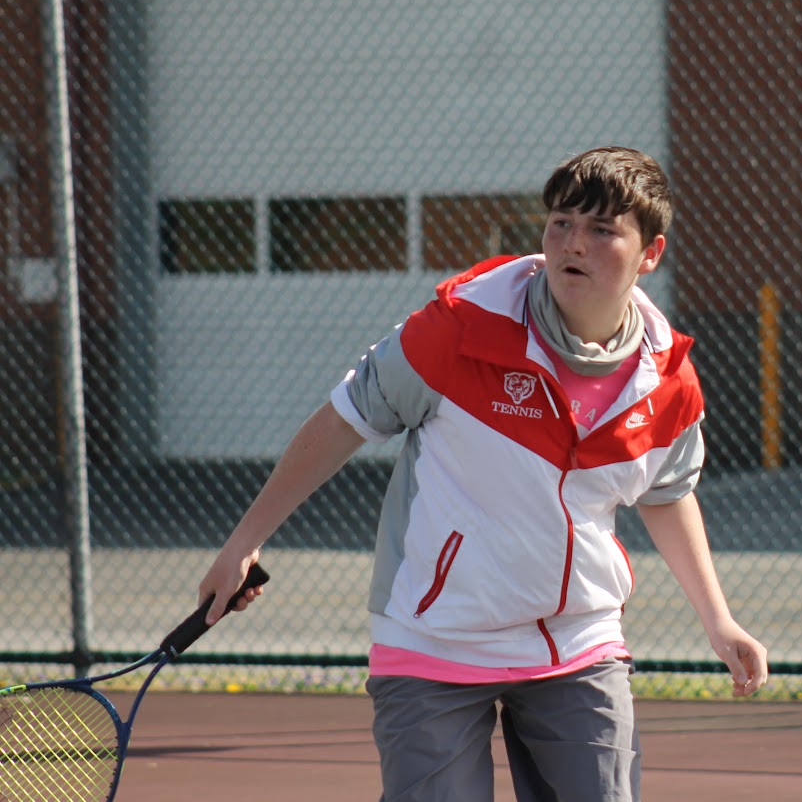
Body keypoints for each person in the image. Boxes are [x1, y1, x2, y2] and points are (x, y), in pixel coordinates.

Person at [197, 146, 769, 801]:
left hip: (577, 645)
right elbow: (341, 420)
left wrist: (718, 619)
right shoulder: (461, 327)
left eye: (601, 229)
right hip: (433, 641)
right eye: (560, 223)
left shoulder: (667, 376)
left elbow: (668, 496)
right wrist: (242, 543)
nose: (572, 243)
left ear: (651, 253)